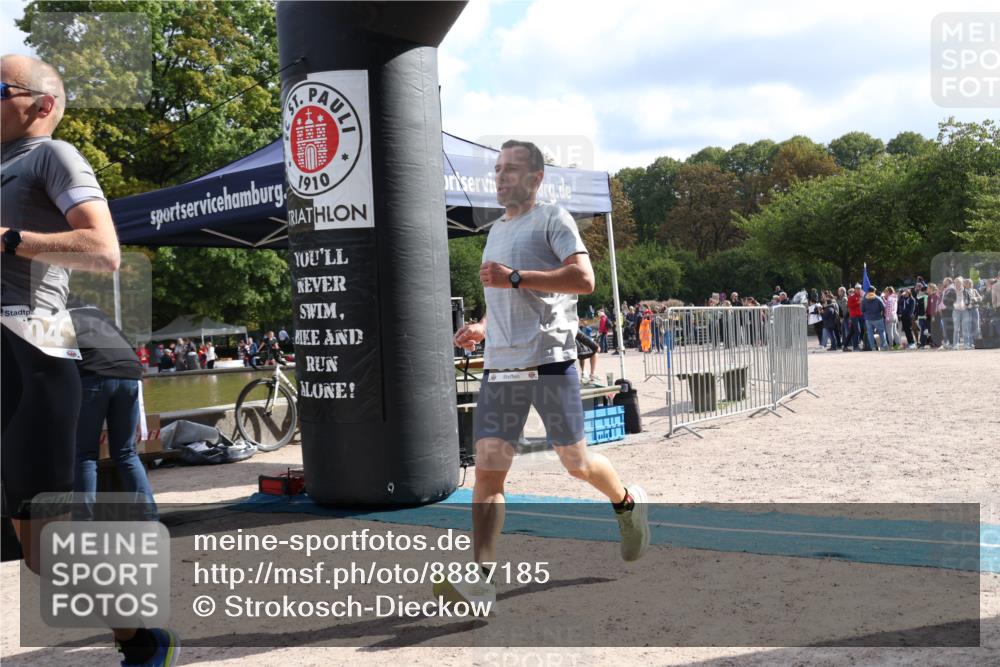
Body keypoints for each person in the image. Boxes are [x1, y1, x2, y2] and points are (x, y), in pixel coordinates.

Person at [1, 54, 178, 665]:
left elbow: (104, 250)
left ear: (42, 105)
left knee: (44, 549)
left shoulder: (51, 155)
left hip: (28, 350)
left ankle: (142, 636)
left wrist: (8, 240)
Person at [445, 139, 649, 609]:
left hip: (549, 361)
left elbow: (584, 280)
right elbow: (504, 294)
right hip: (501, 365)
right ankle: (481, 580)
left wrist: (516, 276)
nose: (500, 177)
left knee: (576, 464)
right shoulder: (496, 231)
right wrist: (482, 326)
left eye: (511, 169)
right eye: (498, 169)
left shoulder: (554, 218)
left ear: (536, 178)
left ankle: (626, 502)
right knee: (488, 476)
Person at [862, 287, 889, 351]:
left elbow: (862, 310)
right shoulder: (878, 298)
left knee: (870, 333)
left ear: (868, 291)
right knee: (881, 332)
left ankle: (873, 347)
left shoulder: (864, 299)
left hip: (868, 319)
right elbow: (883, 307)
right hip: (878, 317)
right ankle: (884, 346)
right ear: (874, 291)